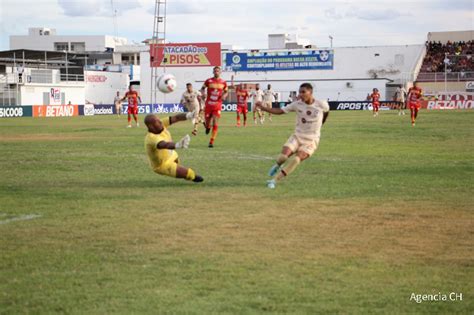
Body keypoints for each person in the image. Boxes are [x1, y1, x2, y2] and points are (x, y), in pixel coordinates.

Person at [256, 83, 329, 189]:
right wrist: (263, 108)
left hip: (311, 140)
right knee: (283, 157)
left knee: (296, 160)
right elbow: (280, 111)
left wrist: (321, 123)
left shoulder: (322, 104)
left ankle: (274, 180)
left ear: (311, 92)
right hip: (297, 136)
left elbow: (326, 112)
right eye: (300, 92)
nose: (300, 94)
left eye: (303, 92)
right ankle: (277, 165)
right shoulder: (297, 104)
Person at [144, 113, 203, 183]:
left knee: (179, 168)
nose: (160, 122)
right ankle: (193, 177)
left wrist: (189, 115)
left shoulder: (161, 124)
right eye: (157, 121)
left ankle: (179, 171)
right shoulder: (151, 138)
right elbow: (164, 145)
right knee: (189, 174)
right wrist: (177, 145)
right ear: (151, 126)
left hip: (172, 155)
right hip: (163, 165)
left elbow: (176, 118)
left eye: (158, 120)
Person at [201, 66, 228, 148]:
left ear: (220, 72)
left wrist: (224, 96)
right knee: (208, 123)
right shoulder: (208, 81)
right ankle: (207, 127)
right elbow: (202, 88)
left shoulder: (223, 82)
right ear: (213, 72)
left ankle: (211, 141)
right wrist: (203, 93)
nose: (216, 72)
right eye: (215, 71)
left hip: (217, 105)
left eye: (218, 71)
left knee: (215, 123)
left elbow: (226, 92)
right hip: (209, 104)